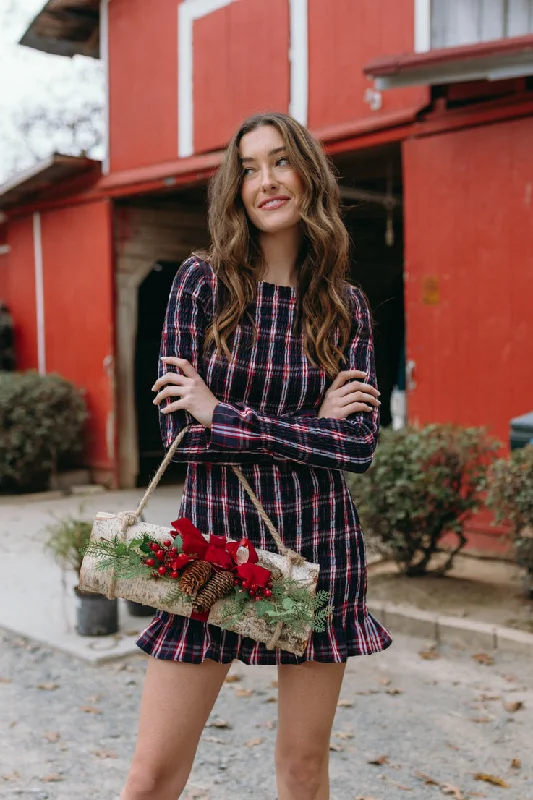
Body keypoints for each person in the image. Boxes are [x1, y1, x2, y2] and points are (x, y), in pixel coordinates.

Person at [121, 112, 392, 800]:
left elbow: (355, 444)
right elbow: (182, 431)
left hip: (315, 543)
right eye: (248, 168)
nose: (265, 180)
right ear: (234, 187)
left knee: (302, 772)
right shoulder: (201, 283)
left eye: (280, 162)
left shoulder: (346, 307)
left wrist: (223, 411)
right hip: (211, 550)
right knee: (152, 776)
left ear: (308, 176)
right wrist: (302, 425)